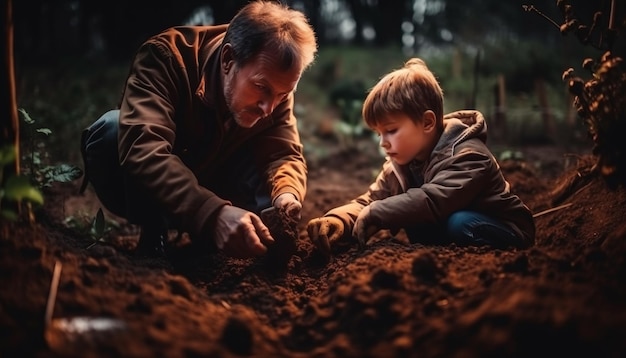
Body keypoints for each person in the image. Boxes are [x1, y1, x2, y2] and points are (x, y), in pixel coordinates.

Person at [80, 1, 318, 259]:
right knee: (112, 130)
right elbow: (144, 148)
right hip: (155, 191)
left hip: (221, 182)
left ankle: (243, 237)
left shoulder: (273, 84)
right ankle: (156, 228)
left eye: (283, 94)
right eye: (261, 87)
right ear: (228, 60)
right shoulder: (165, 57)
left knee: (273, 180)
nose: (269, 107)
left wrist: (286, 193)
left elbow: (282, 154)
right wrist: (211, 214)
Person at [306, 58, 535, 256]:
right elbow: (371, 200)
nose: (383, 142)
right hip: (447, 227)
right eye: (379, 133)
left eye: (391, 130)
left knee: (459, 223)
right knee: (413, 219)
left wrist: (379, 212)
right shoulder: (401, 164)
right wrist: (339, 220)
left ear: (427, 122)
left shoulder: (469, 156)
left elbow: (432, 200)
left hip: (503, 229)